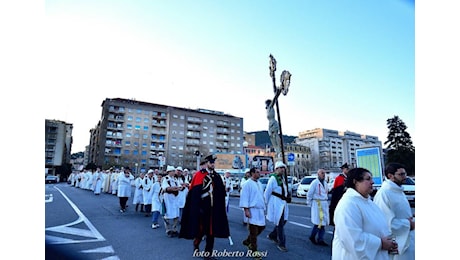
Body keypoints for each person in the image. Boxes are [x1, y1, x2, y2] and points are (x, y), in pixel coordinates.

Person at [332, 167, 397, 260]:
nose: (372, 182)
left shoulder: (368, 202)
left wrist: (389, 244)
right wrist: (380, 243)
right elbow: (352, 239)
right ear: (355, 182)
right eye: (368, 179)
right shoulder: (348, 204)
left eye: (372, 178)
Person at [179, 154, 230, 259]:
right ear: (206, 164)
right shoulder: (199, 175)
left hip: (213, 209)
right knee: (201, 230)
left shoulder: (216, 176)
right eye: (210, 162)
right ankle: (196, 244)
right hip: (202, 208)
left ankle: (208, 253)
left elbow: (220, 193)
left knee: (211, 232)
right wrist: (197, 207)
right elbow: (193, 193)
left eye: (213, 162)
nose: (212, 164)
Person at [373, 163, 415, 259]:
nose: (405, 177)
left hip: (408, 238)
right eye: (401, 174)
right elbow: (385, 222)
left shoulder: (398, 190)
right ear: (390, 176)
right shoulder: (383, 194)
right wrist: (409, 224)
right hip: (397, 242)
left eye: (405, 174)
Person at [239, 167, 266, 258]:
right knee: (253, 231)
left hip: (260, 210)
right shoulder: (247, 184)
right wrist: (246, 210)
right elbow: (245, 197)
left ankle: (247, 241)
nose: (259, 174)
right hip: (252, 210)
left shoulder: (260, 184)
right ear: (252, 173)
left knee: (262, 227)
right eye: (257, 172)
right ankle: (254, 250)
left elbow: (261, 196)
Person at [264, 161, 290, 252]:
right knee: (280, 223)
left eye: (283, 168)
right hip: (276, 203)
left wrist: (287, 196)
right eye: (281, 168)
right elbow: (267, 192)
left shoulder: (282, 178)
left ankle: (272, 235)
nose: (283, 170)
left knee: (283, 221)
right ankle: (282, 243)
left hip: (283, 202)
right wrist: (265, 204)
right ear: (276, 169)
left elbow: (284, 190)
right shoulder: (273, 179)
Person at [307, 169, 330, 246]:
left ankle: (321, 239)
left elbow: (326, 192)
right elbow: (309, 193)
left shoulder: (325, 183)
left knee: (323, 223)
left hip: (324, 203)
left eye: (324, 173)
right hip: (317, 204)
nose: (324, 175)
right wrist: (309, 203)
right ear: (318, 174)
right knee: (318, 223)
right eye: (322, 173)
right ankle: (312, 236)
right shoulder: (314, 183)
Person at [162, 165, 181, 237]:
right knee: (167, 214)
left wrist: (175, 188)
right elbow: (166, 188)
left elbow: (179, 187)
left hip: (175, 199)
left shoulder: (175, 179)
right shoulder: (165, 179)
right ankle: (168, 230)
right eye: (172, 171)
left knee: (176, 214)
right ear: (169, 172)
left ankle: (174, 229)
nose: (174, 172)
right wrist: (174, 188)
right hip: (168, 199)